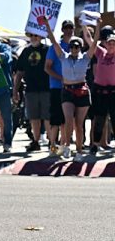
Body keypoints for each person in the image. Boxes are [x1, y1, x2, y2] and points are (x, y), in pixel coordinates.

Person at [42, 17, 99, 161]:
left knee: (79, 125)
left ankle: (79, 151)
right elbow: (54, 41)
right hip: (67, 91)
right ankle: (66, 146)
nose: (74, 49)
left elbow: (94, 43)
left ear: (80, 47)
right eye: (72, 46)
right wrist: (47, 24)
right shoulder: (64, 57)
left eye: (77, 46)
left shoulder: (85, 58)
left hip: (82, 91)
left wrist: (98, 26)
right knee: (68, 120)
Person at [14, 33, 51, 152]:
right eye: (31, 36)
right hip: (30, 89)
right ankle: (36, 141)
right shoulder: (25, 51)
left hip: (46, 88)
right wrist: (15, 90)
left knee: (48, 117)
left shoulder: (47, 50)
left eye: (36, 35)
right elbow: (19, 72)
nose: (34, 38)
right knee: (33, 117)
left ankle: (52, 141)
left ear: (41, 37)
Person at [44, 19, 74, 156]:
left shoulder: (75, 46)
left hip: (72, 88)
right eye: (66, 28)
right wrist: (61, 78)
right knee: (55, 120)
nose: (68, 30)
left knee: (67, 120)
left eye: (71, 28)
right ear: (62, 30)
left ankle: (63, 146)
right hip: (56, 88)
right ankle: (52, 147)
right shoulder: (54, 47)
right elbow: (47, 68)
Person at [91, 30, 115, 154]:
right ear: (105, 43)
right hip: (100, 92)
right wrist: (84, 27)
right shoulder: (101, 53)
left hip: (113, 92)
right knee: (99, 120)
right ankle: (95, 145)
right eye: (109, 43)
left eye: (114, 43)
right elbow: (90, 41)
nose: (111, 45)